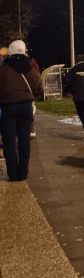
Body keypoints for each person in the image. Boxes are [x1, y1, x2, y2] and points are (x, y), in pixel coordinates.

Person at [0, 40, 43, 181]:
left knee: (9, 142)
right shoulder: (31, 69)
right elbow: (38, 88)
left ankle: (13, 173)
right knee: (24, 141)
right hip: (26, 107)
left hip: (8, 107)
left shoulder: (3, 69)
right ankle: (23, 174)